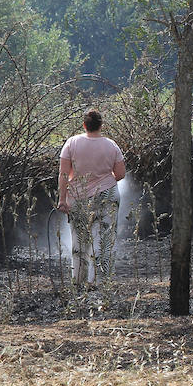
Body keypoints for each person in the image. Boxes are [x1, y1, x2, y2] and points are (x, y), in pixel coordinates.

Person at [58, 110, 127, 289]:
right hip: (107, 195)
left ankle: (79, 281)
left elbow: (64, 174)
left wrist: (62, 199)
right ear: (101, 126)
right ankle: (99, 282)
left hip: (79, 198)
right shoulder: (111, 145)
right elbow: (120, 174)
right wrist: (103, 177)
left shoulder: (72, 143)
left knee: (79, 241)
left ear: (84, 125)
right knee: (104, 239)